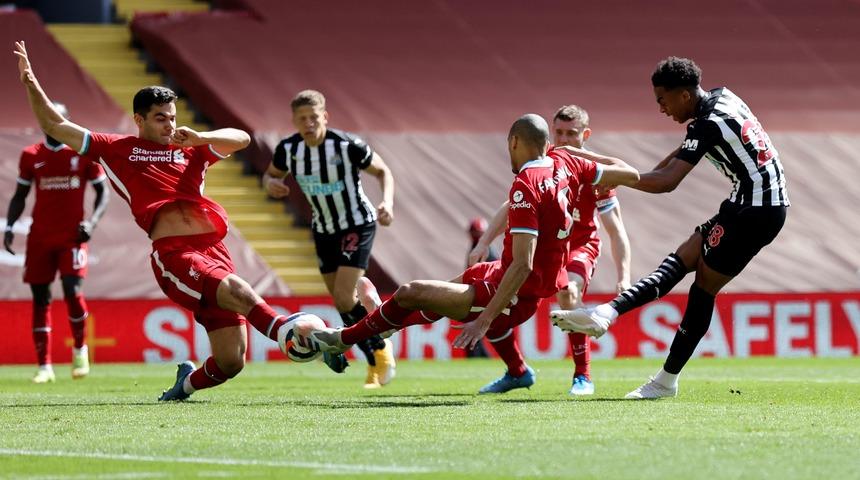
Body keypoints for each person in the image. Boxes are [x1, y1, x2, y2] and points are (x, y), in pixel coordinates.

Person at [14, 41, 347, 401]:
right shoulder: (115, 148)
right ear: (139, 120)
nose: (170, 124)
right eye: (161, 117)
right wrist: (31, 82)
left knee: (231, 361)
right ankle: (289, 332)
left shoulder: (191, 148)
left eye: (172, 117)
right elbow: (55, 124)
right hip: (174, 254)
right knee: (236, 289)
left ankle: (183, 385)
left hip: (213, 250)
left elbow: (242, 139)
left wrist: (202, 137)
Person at [309, 114, 640, 393]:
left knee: (413, 292)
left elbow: (523, 264)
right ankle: (381, 328)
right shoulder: (568, 163)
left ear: (514, 142)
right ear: (549, 140)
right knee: (432, 300)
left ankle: (342, 338)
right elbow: (632, 174)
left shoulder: (529, 183)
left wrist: (484, 321)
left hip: (519, 288)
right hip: (503, 271)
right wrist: (575, 153)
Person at [551, 56, 789, 399]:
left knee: (703, 287)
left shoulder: (706, 124)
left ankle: (664, 379)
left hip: (756, 211)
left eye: (663, 100)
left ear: (683, 95)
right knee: (685, 256)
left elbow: (667, 183)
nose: (661, 109)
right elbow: (677, 159)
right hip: (751, 203)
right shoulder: (722, 98)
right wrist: (634, 173)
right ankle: (607, 313)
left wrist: (612, 176)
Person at [470, 105, 632, 395]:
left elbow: (616, 230)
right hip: (544, 249)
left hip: (580, 247)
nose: (564, 139)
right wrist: (484, 242)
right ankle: (517, 371)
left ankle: (583, 376)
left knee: (568, 291)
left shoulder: (596, 175)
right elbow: (512, 206)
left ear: (586, 135)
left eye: (572, 134)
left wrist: (624, 276)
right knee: (498, 299)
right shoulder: (547, 162)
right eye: (559, 133)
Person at [263, 90, 396, 389]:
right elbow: (269, 175)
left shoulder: (347, 145)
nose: (308, 123)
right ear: (294, 121)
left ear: (325, 116)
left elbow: (383, 172)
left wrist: (387, 202)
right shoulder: (289, 150)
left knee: (344, 295)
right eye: (302, 118)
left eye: (313, 117)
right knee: (341, 301)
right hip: (323, 228)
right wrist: (271, 183)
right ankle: (374, 357)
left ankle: (380, 349)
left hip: (356, 223)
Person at [4, 103, 109, 383]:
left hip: (72, 237)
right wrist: (10, 226)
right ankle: (44, 367)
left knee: (72, 292)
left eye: (58, 117)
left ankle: (80, 350)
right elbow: (20, 195)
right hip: (40, 238)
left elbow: (103, 193)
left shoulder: (82, 153)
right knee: (41, 299)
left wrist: (92, 223)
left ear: (66, 121)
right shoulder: (31, 155)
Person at [464, 217, 496, 358]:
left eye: (477, 233)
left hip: (484, 297)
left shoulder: (484, 251)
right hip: (479, 296)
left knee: (476, 329)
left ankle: (478, 355)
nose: (475, 236)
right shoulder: (479, 249)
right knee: (477, 330)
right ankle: (481, 356)